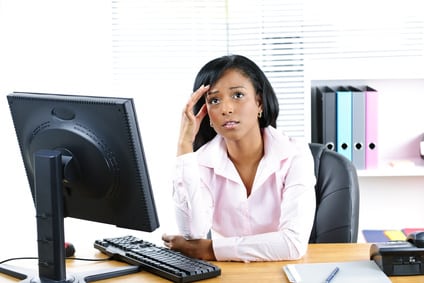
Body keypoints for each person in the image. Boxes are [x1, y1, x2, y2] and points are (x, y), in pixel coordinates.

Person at [162, 54, 316, 262]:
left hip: (281, 274)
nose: (226, 109)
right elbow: (193, 235)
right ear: (206, 113)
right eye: (215, 100)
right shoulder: (199, 162)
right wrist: (184, 146)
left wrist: (211, 250)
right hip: (228, 275)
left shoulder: (295, 154)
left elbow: (292, 244)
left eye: (237, 95)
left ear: (259, 102)